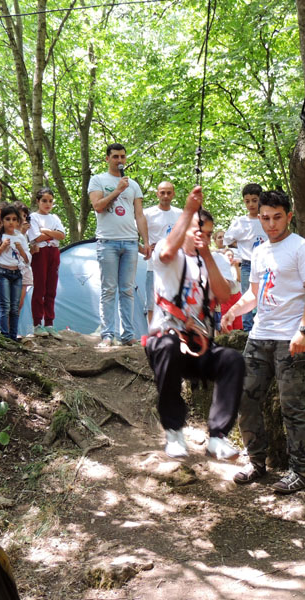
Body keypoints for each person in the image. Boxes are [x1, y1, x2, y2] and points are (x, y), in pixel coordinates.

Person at [222, 190, 305, 494]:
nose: (271, 223)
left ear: (289, 216)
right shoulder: (260, 251)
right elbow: (254, 293)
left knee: (292, 405)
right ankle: (256, 461)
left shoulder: (302, 248)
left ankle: (300, 471)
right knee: (245, 399)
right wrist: (234, 310)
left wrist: (304, 330)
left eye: (277, 217)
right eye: (265, 217)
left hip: (290, 338)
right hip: (259, 336)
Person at [144, 186, 244, 460]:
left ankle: (218, 437)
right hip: (165, 340)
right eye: (198, 229)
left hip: (198, 345)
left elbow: (225, 295)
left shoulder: (210, 261)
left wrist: (208, 254)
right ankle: (174, 432)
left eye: (209, 233)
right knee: (168, 344)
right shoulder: (168, 255)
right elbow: (165, 254)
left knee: (232, 360)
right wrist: (189, 209)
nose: (203, 236)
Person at [88, 143, 150, 347]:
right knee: (108, 289)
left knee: (127, 289)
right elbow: (98, 206)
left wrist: (146, 241)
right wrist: (117, 190)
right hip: (107, 241)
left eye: (122, 156)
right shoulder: (98, 180)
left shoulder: (133, 184)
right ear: (107, 159)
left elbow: (139, 215)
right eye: (115, 157)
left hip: (131, 242)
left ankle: (128, 335)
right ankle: (107, 334)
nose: (120, 160)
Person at [224, 183, 267, 331]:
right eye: (247, 201)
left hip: (267, 263)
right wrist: (239, 248)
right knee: (247, 296)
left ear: (261, 199)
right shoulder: (240, 222)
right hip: (248, 264)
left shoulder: (267, 219)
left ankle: (264, 326)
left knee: (266, 295)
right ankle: (248, 330)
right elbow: (227, 240)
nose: (251, 204)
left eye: (254, 200)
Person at [0, 205, 30, 340]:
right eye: (8, 219)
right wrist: (2, 247)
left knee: (15, 307)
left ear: (18, 222)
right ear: (2, 221)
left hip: (17, 274)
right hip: (2, 272)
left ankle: (13, 336)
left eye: (14, 219)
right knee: (5, 305)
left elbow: (27, 259)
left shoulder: (21, 237)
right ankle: (4, 335)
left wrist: (21, 250)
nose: (11, 222)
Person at [143, 181, 183, 325]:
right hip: (153, 267)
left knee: (175, 302)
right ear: (157, 194)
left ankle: (175, 335)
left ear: (173, 194)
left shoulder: (180, 214)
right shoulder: (147, 214)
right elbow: (131, 234)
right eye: (162, 192)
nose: (165, 196)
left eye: (168, 192)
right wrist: (144, 249)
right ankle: (153, 338)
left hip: (175, 267)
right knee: (152, 304)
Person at [28, 188, 66, 337]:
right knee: (40, 288)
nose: (47, 204)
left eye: (50, 201)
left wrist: (45, 231)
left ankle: (49, 323)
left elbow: (61, 235)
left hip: (54, 252)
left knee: (51, 288)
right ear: (38, 201)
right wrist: (52, 233)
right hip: (40, 253)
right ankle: (37, 323)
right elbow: (36, 238)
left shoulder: (55, 217)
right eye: (44, 200)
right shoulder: (33, 217)